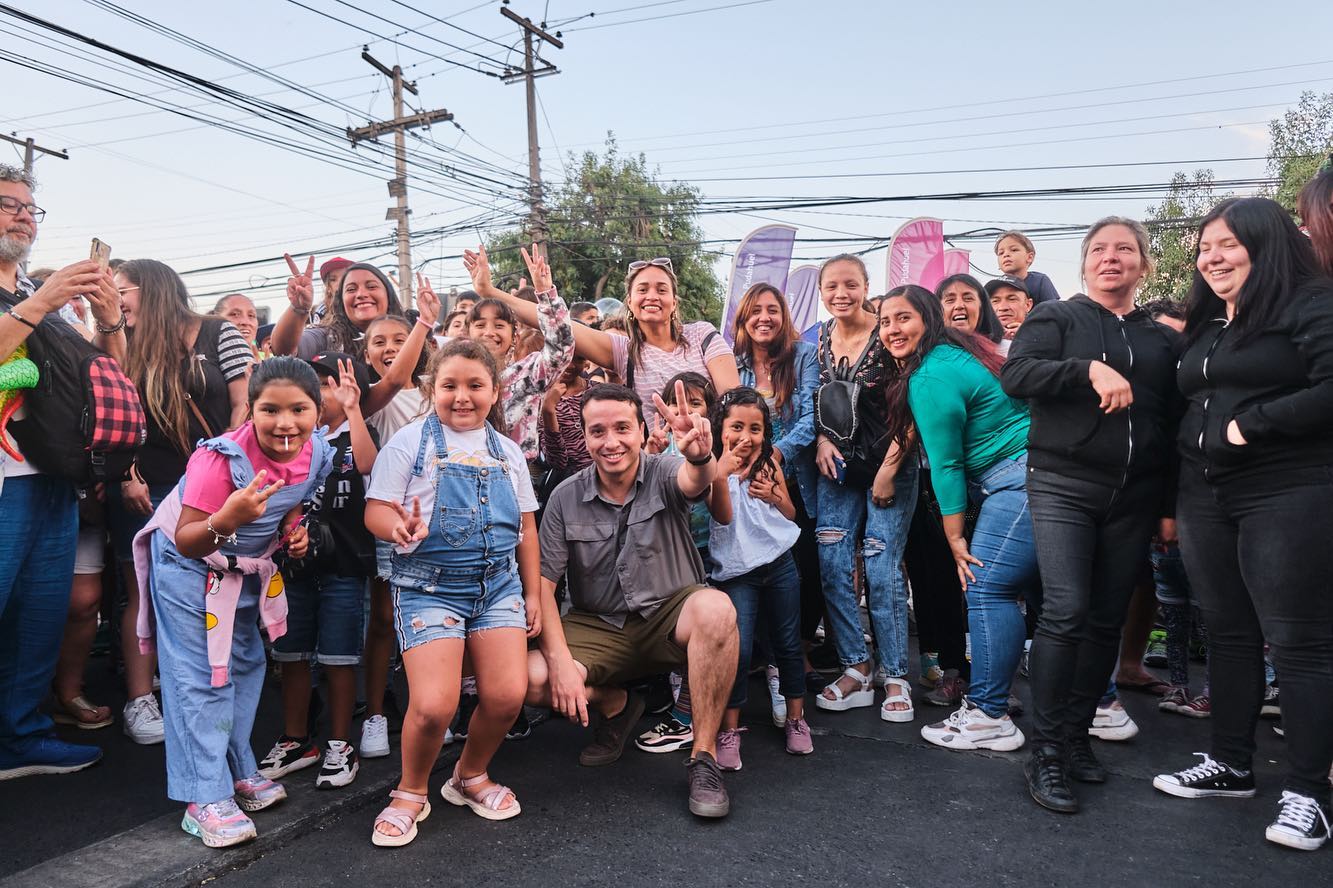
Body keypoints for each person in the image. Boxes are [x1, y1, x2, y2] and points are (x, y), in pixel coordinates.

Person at [1152, 197, 1333, 852]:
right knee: (1227, 633)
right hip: (1203, 493)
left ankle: (1309, 794)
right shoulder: (1207, 326)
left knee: (1298, 643)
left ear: (1266, 243)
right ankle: (1228, 764)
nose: (1210, 256)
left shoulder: (1309, 304)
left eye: (1225, 243)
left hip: (1285, 489)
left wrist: (1252, 424)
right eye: (1203, 246)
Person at [1002, 216, 1182, 815]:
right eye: (1100, 249)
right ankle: (1046, 752)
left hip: (1134, 496)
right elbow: (1016, 376)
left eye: (1125, 249)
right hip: (1062, 484)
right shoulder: (1057, 317)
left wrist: (1167, 506)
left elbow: (1169, 423)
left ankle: (1077, 740)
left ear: (1143, 264)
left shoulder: (1159, 338)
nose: (1112, 258)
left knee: (1106, 620)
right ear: (1084, 262)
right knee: (1066, 609)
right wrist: (1086, 369)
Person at [134, 358, 335, 847]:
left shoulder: (319, 454)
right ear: (250, 410)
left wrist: (293, 533)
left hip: (244, 571)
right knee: (202, 676)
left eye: (298, 410)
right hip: (190, 566)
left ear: (317, 411)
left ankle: (237, 768)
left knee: (245, 665)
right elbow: (186, 540)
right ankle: (203, 796)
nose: (285, 423)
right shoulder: (218, 458)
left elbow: (289, 507)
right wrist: (230, 516)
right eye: (270, 410)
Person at [525, 383, 740, 818]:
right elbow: (544, 588)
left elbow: (694, 480)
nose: (611, 442)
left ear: (642, 431)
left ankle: (704, 758)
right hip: (597, 625)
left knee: (717, 609)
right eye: (597, 431)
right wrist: (560, 661)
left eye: (622, 428)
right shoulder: (565, 497)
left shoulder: (663, 471)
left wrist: (699, 455)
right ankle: (617, 706)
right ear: (584, 437)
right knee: (524, 680)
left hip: (669, 615)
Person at [365, 339, 539, 846]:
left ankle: (468, 775)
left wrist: (531, 593)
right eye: (449, 386)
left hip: (498, 586)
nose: (462, 396)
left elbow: (526, 525)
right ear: (431, 389)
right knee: (435, 706)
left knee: (508, 696)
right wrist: (395, 529)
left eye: (474, 386)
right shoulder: (409, 443)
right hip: (429, 588)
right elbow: (375, 509)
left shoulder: (507, 451)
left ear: (495, 391)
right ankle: (410, 791)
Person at [0, 163, 124, 780]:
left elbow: (107, 376)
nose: (23, 216)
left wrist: (108, 320)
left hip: (53, 477)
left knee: (38, 617)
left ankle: (20, 737)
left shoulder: (35, 299)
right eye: (9, 205)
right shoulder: (38, 299)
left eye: (30, 208)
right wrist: (47, 298)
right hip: (3, 485)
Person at [877, 286, 1034, 753]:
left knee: (986, 588)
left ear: (927, 318)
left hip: (1018, 479)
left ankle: (988, 713)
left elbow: (947, 465)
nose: (891, 330)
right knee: (1056, 600)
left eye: (902, 318)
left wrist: (954, 536)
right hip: (1037, 472)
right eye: (885, 322)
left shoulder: (929, 375)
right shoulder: (963, 354)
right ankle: (1101, 707)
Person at [111, 259, 254, 743]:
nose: (117, 301)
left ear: (151, 290)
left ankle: (209, 688)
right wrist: (128, 475)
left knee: (212, 584)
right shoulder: (123, 343)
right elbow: (115, 419)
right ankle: (140, 698)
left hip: (211, 480)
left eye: (123, 291)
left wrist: (227, 464)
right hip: (148, 483)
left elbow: (243, 402)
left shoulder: (219, 334)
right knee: (144, 588)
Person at [259, 356, 378, 790]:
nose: (323, 395)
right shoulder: (291, 441)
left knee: (340, 658)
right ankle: (297, 740)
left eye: (329, 385)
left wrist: (352, 409)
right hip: (289, 568)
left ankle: (340, 743)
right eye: (317, 389)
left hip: (343, 566)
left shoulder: (352, 437)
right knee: (291, 655)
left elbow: (367, 466)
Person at [811, 254, 919, 722]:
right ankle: (856, 667)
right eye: (832, 286)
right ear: (820, 292)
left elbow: (916, 407)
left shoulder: (889, 334)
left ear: (866, 286)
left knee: (881, 564)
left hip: (890, 465)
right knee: (832, 562)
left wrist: (889, 469)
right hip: (837, 468)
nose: (841, 294)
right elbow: (814, 395)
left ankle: (895, 674)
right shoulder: (819, 337)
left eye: (850, 284)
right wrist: (818, 438)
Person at [465, 246, 738, 426]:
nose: (652, 296)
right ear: (630, 302)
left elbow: (732, 402)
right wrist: (490, 291)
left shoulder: (702, 335)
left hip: (709, 458)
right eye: (642, 290)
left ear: (674, 301)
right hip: (657, 466)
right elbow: (559, 325)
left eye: (661, 289)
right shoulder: (623, 351)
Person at [708, 387, 811, 763]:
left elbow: (790, 514)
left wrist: (773, 496)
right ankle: (730, 729)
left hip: (779, 562)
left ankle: (797, 720)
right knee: (739, 650)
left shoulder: (769, 463)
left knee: (787, 644)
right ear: (721, 428)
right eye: (737, 426)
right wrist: (723, 476)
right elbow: (722, 517)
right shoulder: (712, 469)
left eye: (755, 428)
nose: (746, 437)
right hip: (737, 572)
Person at [729, 282, 823, 694]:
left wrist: (778, 455)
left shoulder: (803, 356)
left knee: (802, 565)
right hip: (749, 477)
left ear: (784, 317)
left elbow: (812, 413)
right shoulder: (734, 363)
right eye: (756, 311)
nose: (764, 317)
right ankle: (764, 656)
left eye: (773, 310)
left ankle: (795, 651)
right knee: (755, 562)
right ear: (744, 320)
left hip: (796, 473)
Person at [359, 313, 434, 758]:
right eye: (378, 341)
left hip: (442, 519)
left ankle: (428, 710)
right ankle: (375, 714)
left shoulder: (437, 387)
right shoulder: (375, 397)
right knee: (385, 620)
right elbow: (396, 376)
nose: (388, 346)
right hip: (393, 519)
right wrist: (422, 323)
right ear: (365, 352)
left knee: (432, 619)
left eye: (399, 339)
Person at [455, 246, 574, 460]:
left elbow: (561, 347)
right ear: (467, 334)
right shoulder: (453, 377)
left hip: (516, 476)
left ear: (514, 336)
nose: (489, 332)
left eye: (499, 325)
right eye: (480, 325)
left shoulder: (527, 373)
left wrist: (546, 295)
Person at [994, 231, 1060, 304]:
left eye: (1014, 250)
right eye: (1001, 253)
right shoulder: (994, 287)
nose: (1006, 254)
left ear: (1029, 257)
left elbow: (1052, 310)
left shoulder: (1040, 281)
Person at [936, 273, 1005, 343]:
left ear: (982, 306)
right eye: (950, 300)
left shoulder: (1005, 351)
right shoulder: (928, 351)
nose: (959, 305)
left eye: (968, 298)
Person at [986, 275, 1036, 350]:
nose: (1003, 308)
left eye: (1012, 299)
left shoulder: (1047, 338)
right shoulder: (976, 342)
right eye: (995, 301)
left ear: (1028, 305)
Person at [213, 293, 260, 362]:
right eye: (235, 314)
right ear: (215, 320)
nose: (245, 322)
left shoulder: (270, 364)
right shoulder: (202, 364)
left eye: (251, 315)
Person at [314, 257, 354, 323]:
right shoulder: (323, 311)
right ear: (329, 287)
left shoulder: (363, 303)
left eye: (345, 276)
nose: (340, 282)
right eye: (333, 279)